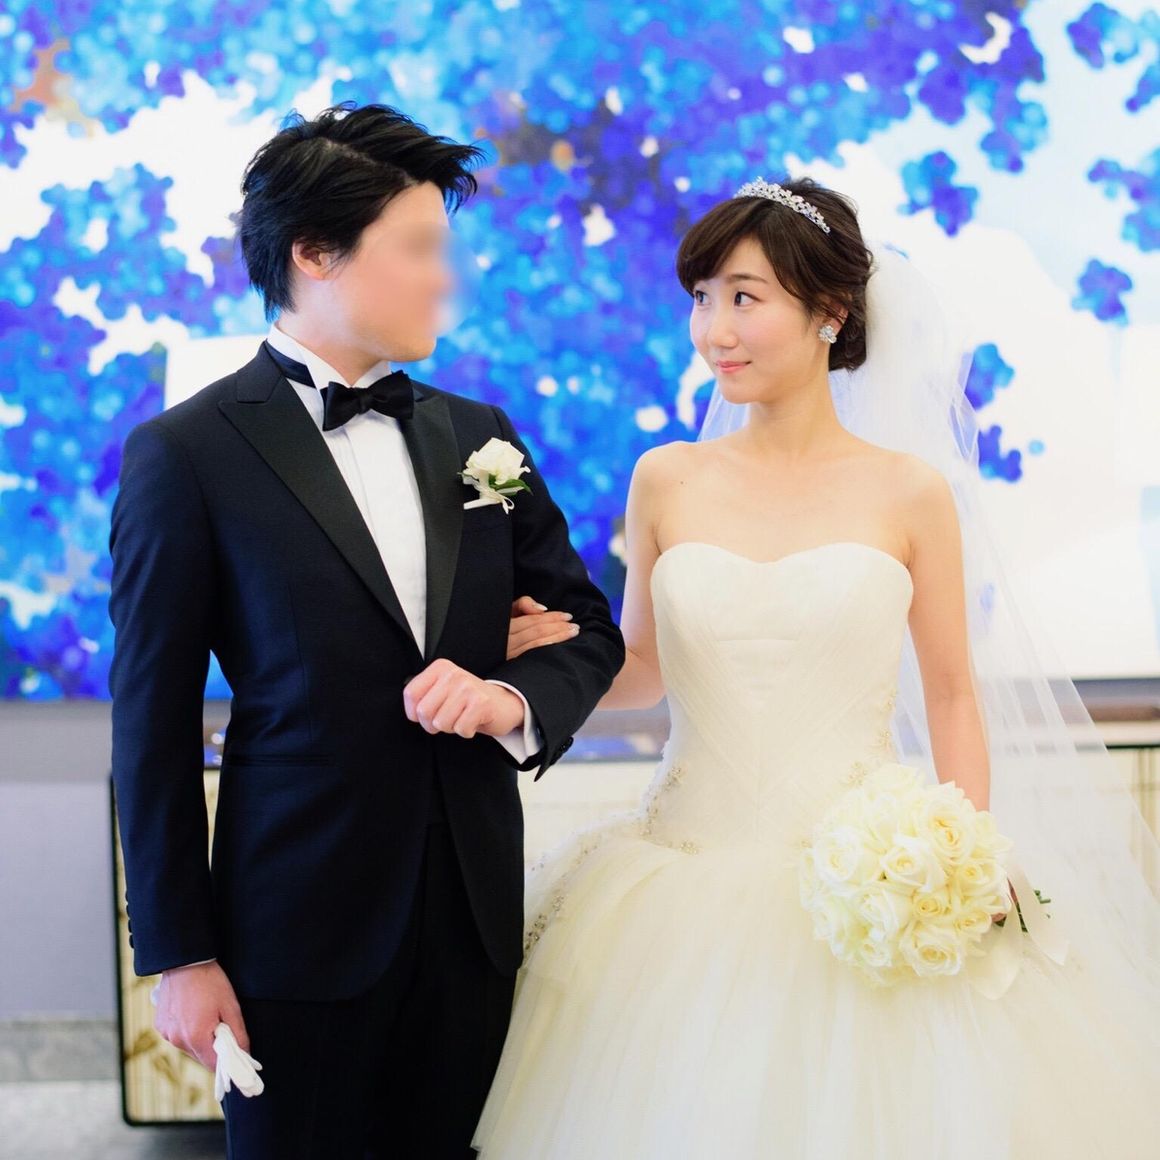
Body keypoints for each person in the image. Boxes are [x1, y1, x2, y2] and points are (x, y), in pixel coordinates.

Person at [472, 177, 1160, 1157]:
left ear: (828, 312)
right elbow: (644, 671)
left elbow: (952, 692)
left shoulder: (909, 491)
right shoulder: (666, 477)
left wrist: (960, 854)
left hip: (863, 880)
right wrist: (554, 661)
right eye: (701, 297)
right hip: (678, 884)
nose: (714, 329)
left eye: (743, 297)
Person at [107, 102, 624, 1160]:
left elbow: (585, 629)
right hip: (291, 931)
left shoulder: (481, 436)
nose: (445, 279)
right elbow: (150, 719)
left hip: (473, 923)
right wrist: (180, 956)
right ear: (314, 252)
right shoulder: (186, 453)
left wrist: (507, 695)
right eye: (420, 248)